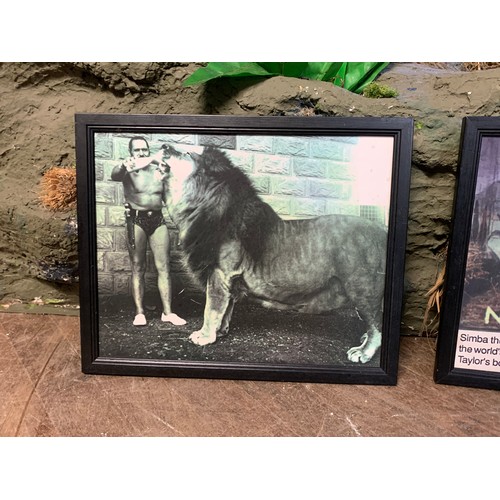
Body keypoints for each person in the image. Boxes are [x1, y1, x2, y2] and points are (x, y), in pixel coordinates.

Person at [111, 136, 186, 327]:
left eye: (144, 149)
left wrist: (181, 226)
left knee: (164, 267)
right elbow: (115, 175)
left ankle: (168, 313)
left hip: (158, 219)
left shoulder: (158, 170)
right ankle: (140, 312)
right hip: (136, 219)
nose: (141, 153)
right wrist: (123, 165)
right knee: (138, 267)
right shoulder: (128, 169)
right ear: (131, 153)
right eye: (137, 150)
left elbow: (170, 199)